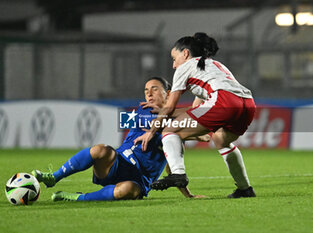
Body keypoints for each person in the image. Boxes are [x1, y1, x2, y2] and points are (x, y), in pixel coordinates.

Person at [32, 77, 208, 201]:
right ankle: (53, 177)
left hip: (139, 181)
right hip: (117, 163)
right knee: (101, 150)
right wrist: (196, 131)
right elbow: (158, 124)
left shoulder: (175, 132)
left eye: (154, 89)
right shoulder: (145, 110)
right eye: (146, 90)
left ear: (168, 94)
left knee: (128, 190)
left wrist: (189, 195)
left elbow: (172, 168)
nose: (149, 94)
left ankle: (76, 197)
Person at [134, 32, 256, 198]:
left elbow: (169, 108)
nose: (173, 65)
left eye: (174, 58)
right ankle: (245, 189)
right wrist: (166, 112)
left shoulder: (185, 67)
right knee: (221, 139)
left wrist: (151, 131)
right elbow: (197, 110)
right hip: (247, 103)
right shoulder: (212, 65)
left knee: (170, 130)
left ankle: (178, 174)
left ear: (185, 53)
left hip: (223, 100)